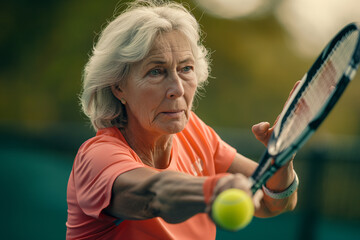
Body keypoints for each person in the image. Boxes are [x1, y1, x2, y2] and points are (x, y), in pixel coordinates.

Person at [66, 0, 298, 239]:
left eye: (186, 69)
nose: (177, 88)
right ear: (118, 87)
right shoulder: (97, 157)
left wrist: (281, 158)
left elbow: (274, 202)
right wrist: (213, 190)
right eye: (156, 71)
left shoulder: (195, 132)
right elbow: (154, 195)